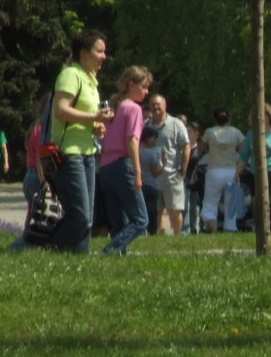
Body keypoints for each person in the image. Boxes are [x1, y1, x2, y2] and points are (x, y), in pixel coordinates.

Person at [44, 29, 112, 254]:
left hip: (88, 151)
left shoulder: (90, 80)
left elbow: (81, 117)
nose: (104, 56)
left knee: (87, 218)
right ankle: (50, 250)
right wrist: (94, 117)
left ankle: (80, 257)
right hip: (69, 151)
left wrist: (96, 126)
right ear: (83, 52)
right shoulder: (71, 75)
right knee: (80, 215)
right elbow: (60, 110)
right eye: (99, 51)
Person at [95, 66, 151, 254]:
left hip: (105, 167)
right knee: (141, 219)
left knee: (118, 221)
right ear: (131, 85)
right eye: (144, 87)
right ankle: (110, 251)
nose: (146, 92)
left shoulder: (114, 107)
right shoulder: (133, 109)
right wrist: (138, 172)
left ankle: (118, 256)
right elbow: (131, 140)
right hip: (121, 165)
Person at [232, 103, 271, 230]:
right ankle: (258, 224)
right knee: (255, 201)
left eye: (263, 115)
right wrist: (237, 174)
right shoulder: (251, 134)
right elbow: (244, 156)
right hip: (255, 173)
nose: (260, 118)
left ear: (269, 117)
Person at [146, 94, 191, 236]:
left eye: (158, 104)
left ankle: (177, 236)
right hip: (151, 177)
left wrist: (183, 170)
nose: (155, 107)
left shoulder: (176, 124)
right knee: (155, 211)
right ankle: (159, 237)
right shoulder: (145, 125)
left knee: (174, 210)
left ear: (165, 106)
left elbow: (186, 146)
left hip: (171, 175)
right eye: (152, 104)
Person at [201, 107, 245, 232]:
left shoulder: (209, 132)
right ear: (229, 118)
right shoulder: (236, 132)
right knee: (231, 203)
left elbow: (202, 148)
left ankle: (212, 227)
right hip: (231, 170)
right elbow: (243, 149)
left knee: (210, 202)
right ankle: (230, 228)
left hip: (214, 170)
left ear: (215, 118)